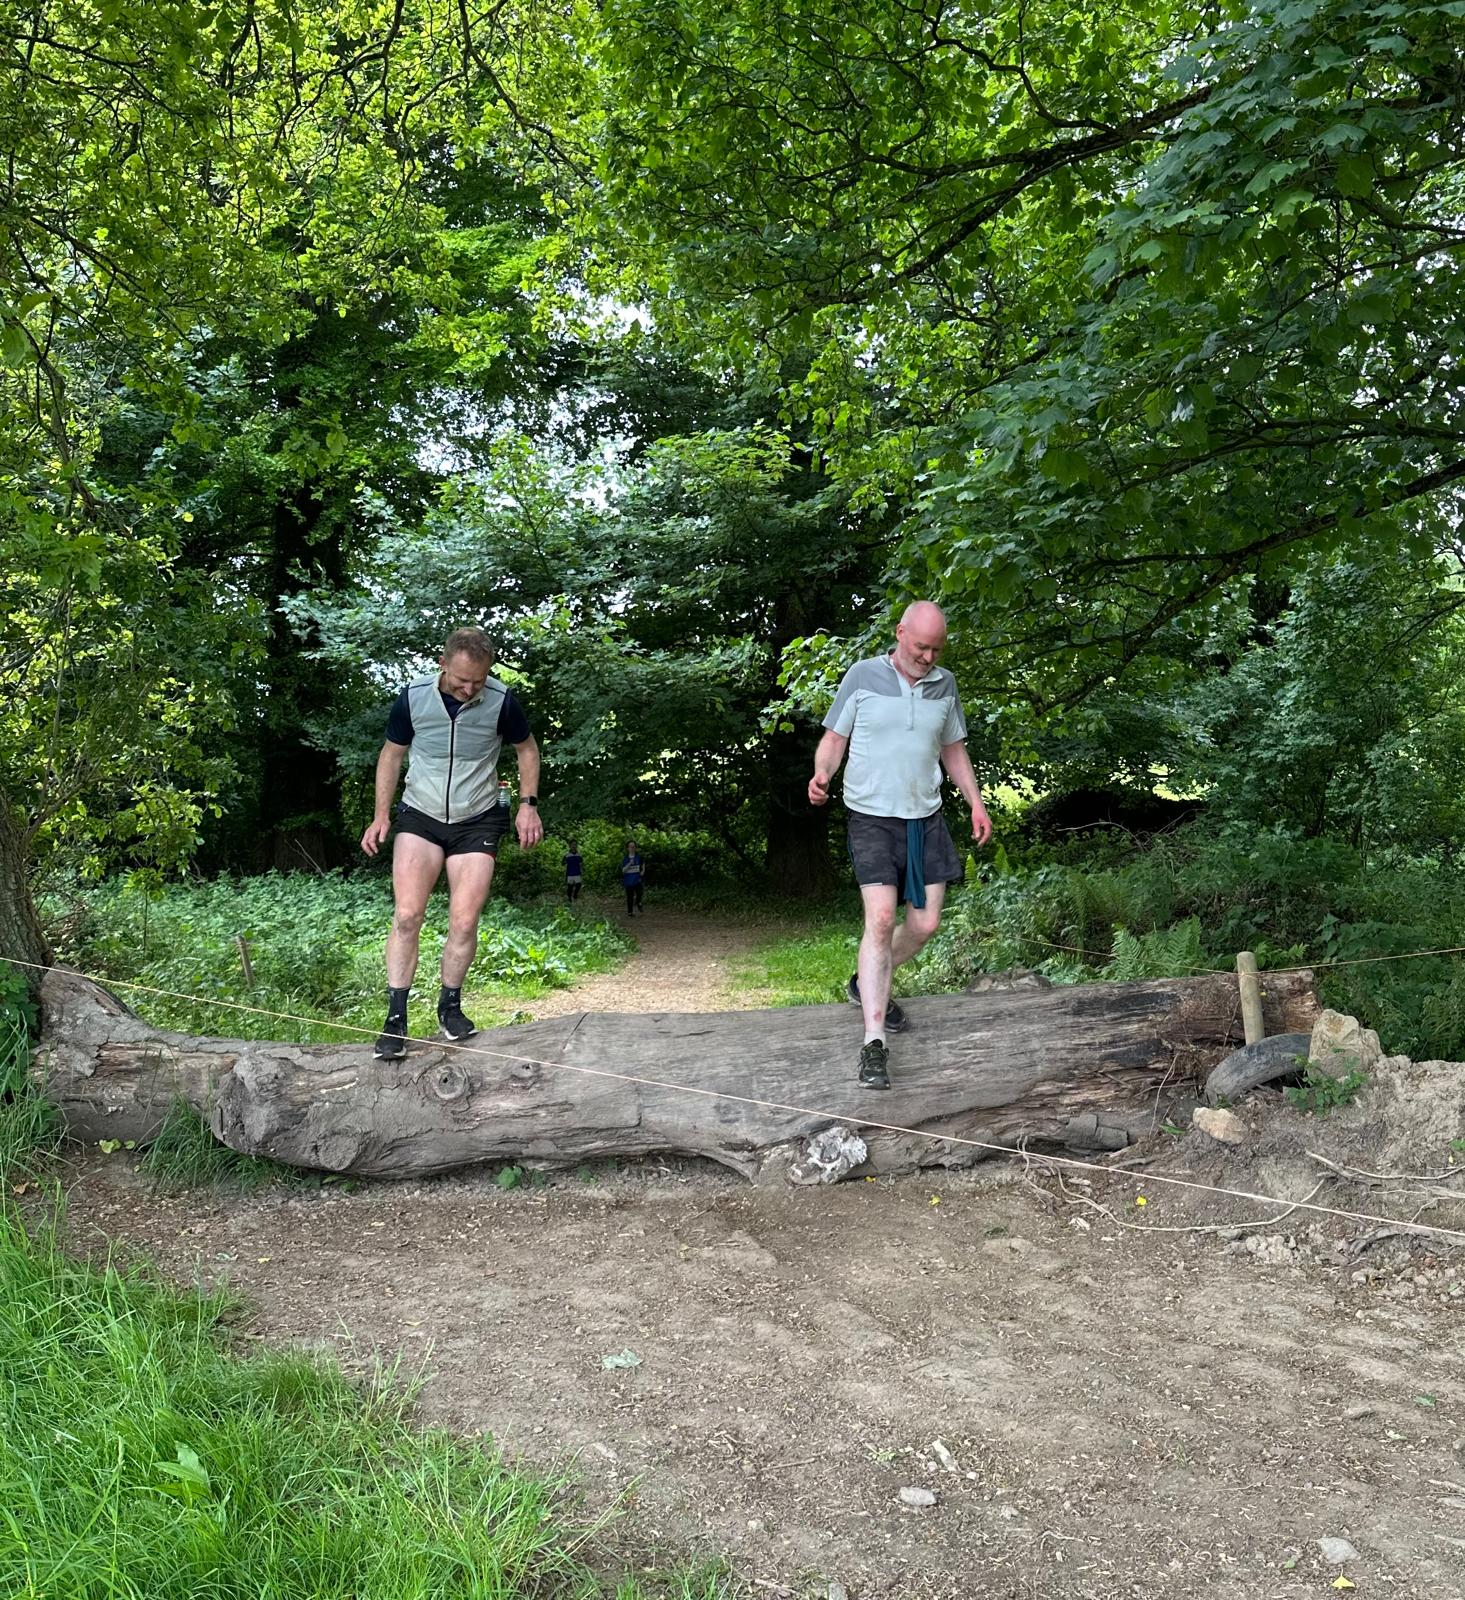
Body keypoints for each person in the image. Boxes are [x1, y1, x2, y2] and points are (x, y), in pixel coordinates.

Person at [808, 601, 992, 1090]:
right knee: (881, 919)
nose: (928, 657)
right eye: (920, 647)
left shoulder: (945, 685)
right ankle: (874, 1043)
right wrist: (822, 774)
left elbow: (953, 748)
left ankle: (865, 980)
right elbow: (834, 738)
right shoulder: (862, 676)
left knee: (925, 923)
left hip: (925, 818)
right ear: (900, 633)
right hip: (871, 817)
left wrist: (975, 803)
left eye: (936, 650)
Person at [360, 627, 543, 1058]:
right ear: (443, 664)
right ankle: (395, 1018)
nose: (470, 688)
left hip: (477, 817)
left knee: (464, 921)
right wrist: (381, 815)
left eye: (479, 680)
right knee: (407, 915)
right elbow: (391, 755)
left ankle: (450, 1008)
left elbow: (528, 750)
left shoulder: (502, 701)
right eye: (462, 680)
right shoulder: (412, 698)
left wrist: (527, 805)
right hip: (420, 815)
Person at [620, 840, 645, 915]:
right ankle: (630, 912)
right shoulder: (625, 858)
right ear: (628, 848)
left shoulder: (639, 857)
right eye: (631, 847)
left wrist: (643, 871)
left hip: (637, 879)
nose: (632, 848)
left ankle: (638, 903)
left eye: (634, 847)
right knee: (630, 896)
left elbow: (643, 863)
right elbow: (623, 870)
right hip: (628, 881)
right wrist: (630, 863)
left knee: (639, 893)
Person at [564, 838, 584, 904]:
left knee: (579, 885)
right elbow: (563, 863)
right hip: (570, 873)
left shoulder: (579, 855)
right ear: (570, 846)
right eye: (572, 844)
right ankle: (569, 899)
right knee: (570, 887)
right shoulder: (567, 855)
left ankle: (575, 895)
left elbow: (581, 863)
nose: (574, 846)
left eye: (575, 844)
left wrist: (582, 871)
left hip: (577, 872)